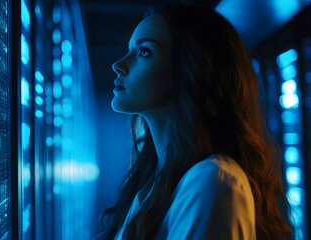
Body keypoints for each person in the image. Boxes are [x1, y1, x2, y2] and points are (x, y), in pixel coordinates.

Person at [99, 3, 293, 240]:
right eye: (130, 49)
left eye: (144, 52)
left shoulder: (214, 182)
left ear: (190, 69)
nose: (118, 65)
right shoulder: (156, 181)